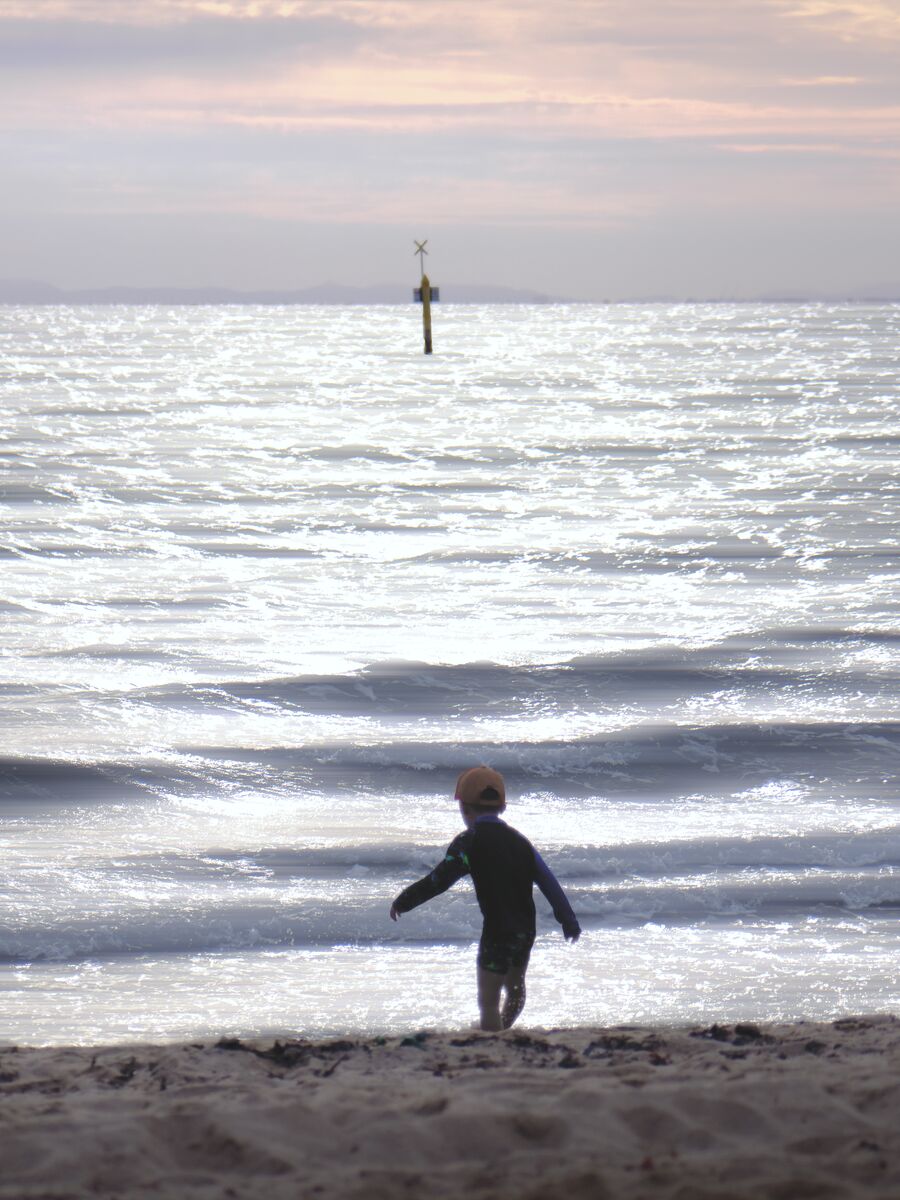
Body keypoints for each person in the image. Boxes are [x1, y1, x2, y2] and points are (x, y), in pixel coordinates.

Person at [390, 765, 580, 1031]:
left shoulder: (469, 842)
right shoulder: (520, 842)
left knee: (488, 1000)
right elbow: (548, 881)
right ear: (502, 807)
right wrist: (568, 919)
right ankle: (503, 1028)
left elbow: (438, 881)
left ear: (465, 808)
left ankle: (493, 1038)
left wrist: (404, 901)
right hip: (525, 930)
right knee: (515, 988)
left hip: (497, 931)